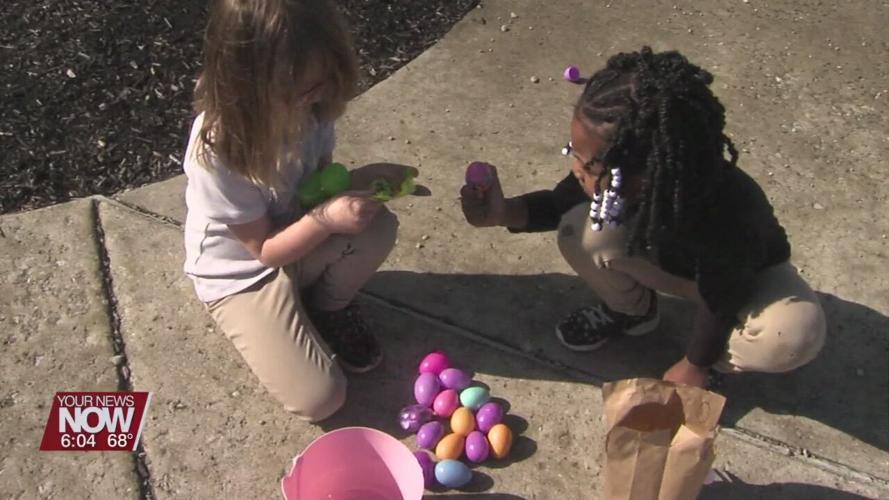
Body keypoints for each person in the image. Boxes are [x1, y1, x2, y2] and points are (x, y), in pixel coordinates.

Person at [460, 47, 825, 387]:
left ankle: (716, 363)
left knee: (793, 334)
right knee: (578, 228)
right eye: (574, 152)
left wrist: (696, 363)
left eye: (587, 163)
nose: (576, 168)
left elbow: (723, 298)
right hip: (682, 270)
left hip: (746, 280)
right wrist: (503, 212)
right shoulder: (618, 179)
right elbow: (557, 206)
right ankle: (632, 312)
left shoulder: (727, 212)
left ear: (645, 174)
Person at [182, 0, 411, 421]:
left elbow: (312, 190)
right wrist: (326, 219)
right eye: (305, 90)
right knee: (321, 399)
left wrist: (363, 179)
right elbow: (265, 251)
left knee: (377, 228)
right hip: (241, 277)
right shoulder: (219, 149)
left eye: (325, 82)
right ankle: (288, 310)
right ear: (248, 86)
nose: (319, 96)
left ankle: (327, 307)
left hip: (296, 238)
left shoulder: (313, 109)